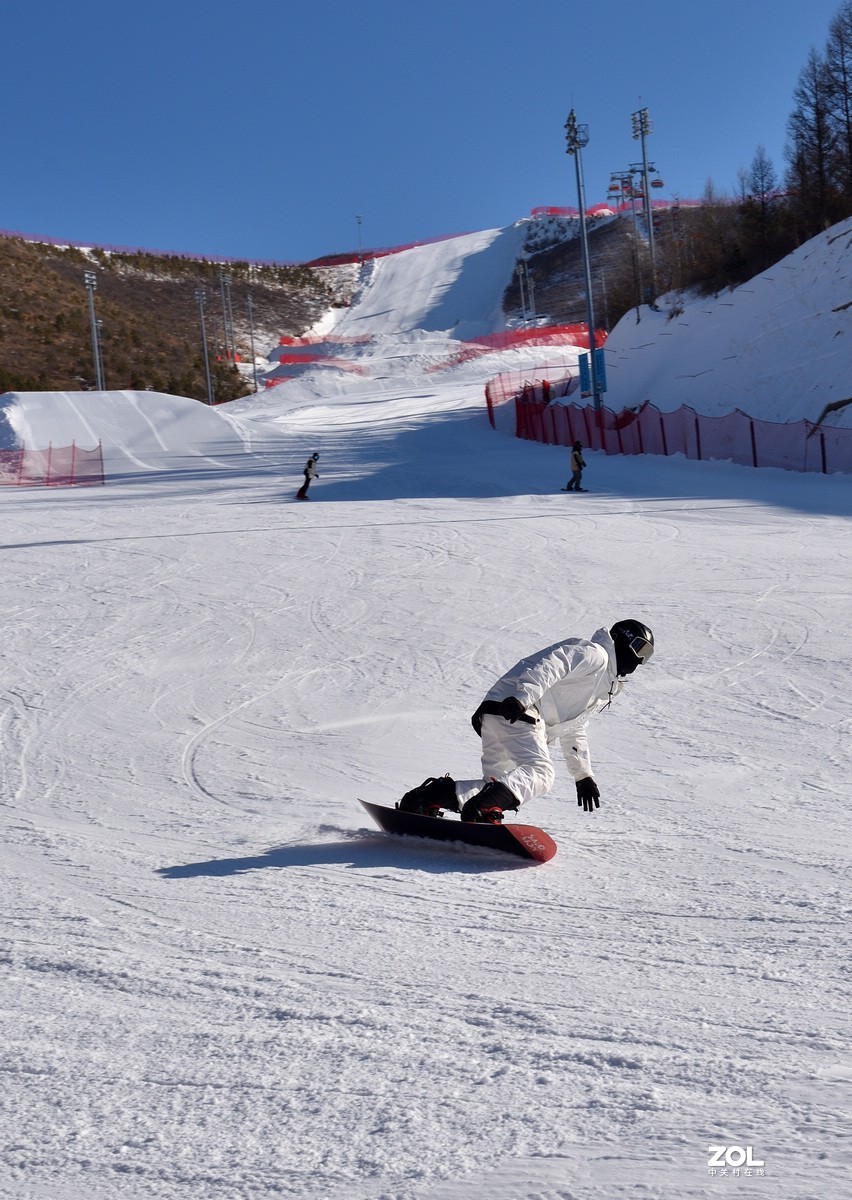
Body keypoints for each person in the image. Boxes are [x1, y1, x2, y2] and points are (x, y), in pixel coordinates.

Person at [398, 620, 654, 824]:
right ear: (625, 639)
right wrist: (523, 697)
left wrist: (582, 775)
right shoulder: (595, 654)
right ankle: (481, 809)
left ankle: (429, 797)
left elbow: (574, 727)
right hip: (520, 710)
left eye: (648, 655)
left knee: (496, 786)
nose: (641, 660)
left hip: (500, 714)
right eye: (641, 649)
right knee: (541, 773)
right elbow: (553, 664)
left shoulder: (603, 684)